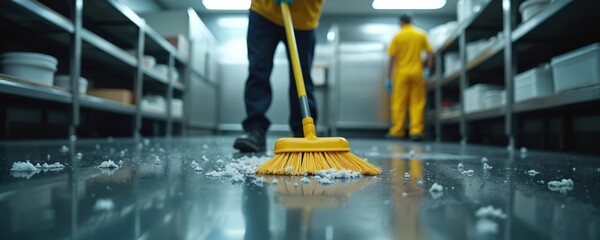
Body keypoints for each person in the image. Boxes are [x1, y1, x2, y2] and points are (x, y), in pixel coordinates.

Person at [234, 0, 323, 152]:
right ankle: (255, 130)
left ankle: (304, 133)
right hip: (264, 11)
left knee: (301, 76)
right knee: (258, 71)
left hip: (304, 18)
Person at [386, 13, 433, 141]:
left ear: (400, 22)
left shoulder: (397, 36)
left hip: (401, 73)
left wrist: (388, 78)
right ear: (411, 21)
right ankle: (416, 131)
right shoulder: (421, 34)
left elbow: (392, 59)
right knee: (417, 103)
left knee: (399, 103)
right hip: (417, 73)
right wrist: (428, 70)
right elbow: (430, 52)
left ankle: (397, 131)